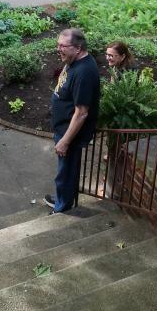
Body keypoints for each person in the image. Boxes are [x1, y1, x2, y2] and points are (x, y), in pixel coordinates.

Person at [46, 28, 101, 215]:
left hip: (70, 134)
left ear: (78, 48)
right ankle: (63, 198)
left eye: (63, 46)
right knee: (65, 172)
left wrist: (65, 141)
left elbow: (82, 113)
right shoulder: (73, 60)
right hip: (63, 126)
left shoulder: (84, 72)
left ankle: (62, 208)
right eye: (58, 45)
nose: (58, 49)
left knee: (66, 173)